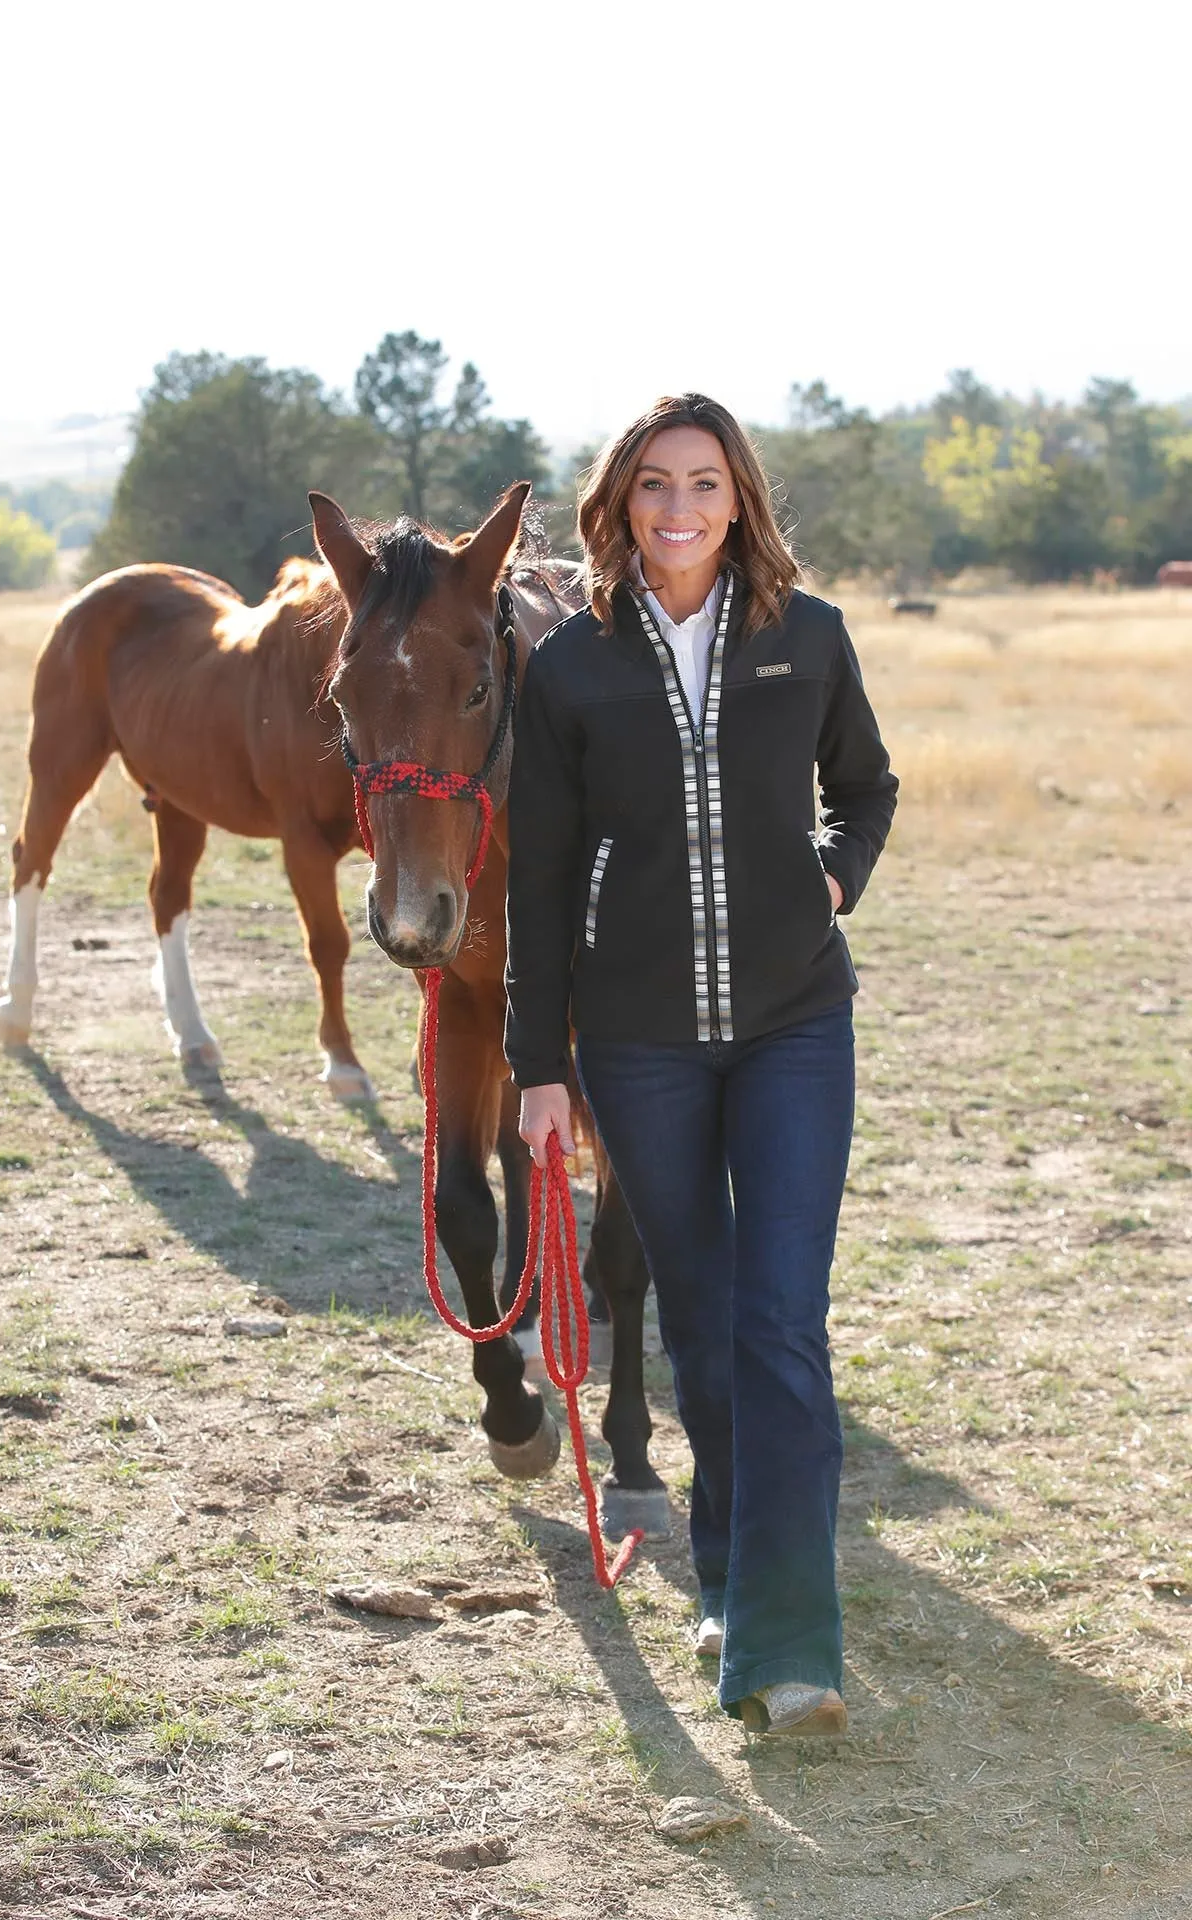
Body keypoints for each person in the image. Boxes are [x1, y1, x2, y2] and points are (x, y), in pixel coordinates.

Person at [503, 393, 898, 1735]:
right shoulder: (573, 673)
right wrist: (538, 1063)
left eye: (707, 485)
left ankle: (789, 1646)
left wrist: (834, 879)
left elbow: (870, 785)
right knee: (698, 1316)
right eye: (656, 485)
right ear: (617, 503)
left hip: (796, 1024)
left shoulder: (811, 639)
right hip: (638, 1045)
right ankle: (729, 1572)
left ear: (741, 503)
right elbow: (542, 877)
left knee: (780, 1320)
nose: (680, 510)